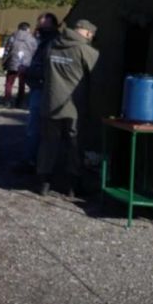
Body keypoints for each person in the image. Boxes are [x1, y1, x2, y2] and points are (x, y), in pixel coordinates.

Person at [37, 19, 99, 197]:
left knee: (48, 143)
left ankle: (44, 183)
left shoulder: (52, 45)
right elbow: (97, 77)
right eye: (91, 36)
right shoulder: (85, 50)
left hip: (50, 103)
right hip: (74, 106)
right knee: (74, 144)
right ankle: (72, 186)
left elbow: (43, 69)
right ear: (87, 33)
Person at [21, 12, 59, 173]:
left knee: (35, 129)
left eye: (44, 26)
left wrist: (27, 71)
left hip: (43, 89)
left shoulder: (51, 44)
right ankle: (35, 161)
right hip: (39, 87)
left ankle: (32, 162)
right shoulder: (44, 42)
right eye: (40, 26)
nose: (41, 29)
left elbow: (46, 70)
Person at [1, 22, 37, 108]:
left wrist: (4, 62)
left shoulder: (12, 37)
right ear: (27, 29)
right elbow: (35, 51)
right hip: (25, 65)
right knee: (22, 84)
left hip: (12, 63)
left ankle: (7, 101)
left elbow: (7, 50)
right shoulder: (31, 38)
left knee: (9, 83)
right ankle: (20, 102)